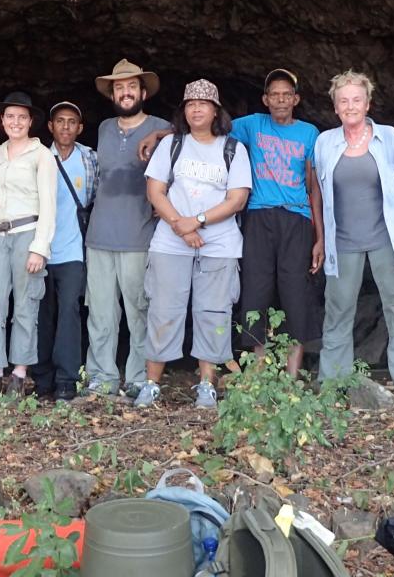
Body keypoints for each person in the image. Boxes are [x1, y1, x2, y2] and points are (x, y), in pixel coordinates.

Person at [138, 68, 324, 375]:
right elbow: (204, 130)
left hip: (297, 216)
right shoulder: (251, 126)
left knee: (296, 294)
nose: (280, 100)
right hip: (260, 216)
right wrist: (161, 134)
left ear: (296, 98)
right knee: (256, 293)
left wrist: (320, 236)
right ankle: (258, 371)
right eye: (274, 94)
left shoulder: (309, 133)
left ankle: (292, 376)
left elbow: (313, 185)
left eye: (286, 94)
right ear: (264, 99)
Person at [136, 79, 252, 409]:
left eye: (203, 103)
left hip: (219, 243)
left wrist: (197, 221)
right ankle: (151, 384)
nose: (196, 108)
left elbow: (237, 199)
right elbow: (155, 191)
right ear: (183, 111)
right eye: (190, 104)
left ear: (216, 110)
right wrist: (181, 226)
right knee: (163, 309)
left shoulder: (232, 149)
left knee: (213, 312)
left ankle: (206, 385)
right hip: (171, 241)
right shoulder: (172, 145)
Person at [315, 71, 394, 409]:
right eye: (343, 100)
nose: (351, 106)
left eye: (357, 99)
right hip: (343, 241)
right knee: (338, 311)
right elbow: (320, 193)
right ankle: (333, 384)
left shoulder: (387, 137)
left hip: (385, 238)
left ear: (368, 103)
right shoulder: (325, 142)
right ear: (335, 107)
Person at [84, 59, 171, 398]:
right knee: (101, 313)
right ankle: (102, 376)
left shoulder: (161, 125)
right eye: (119, 87)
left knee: (139, 312)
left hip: (140, 235)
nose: (125, 92)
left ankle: (137, 377)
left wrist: (161, 133)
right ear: (112, 94)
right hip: (100, 235)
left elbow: (198, 128)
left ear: (143, 91)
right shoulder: (105, 128)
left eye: (131, 86)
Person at [0, 92, 57, 398]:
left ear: (31, 121)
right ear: (2, 121)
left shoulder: (41, 155)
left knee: (25, 306)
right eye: (10, 117)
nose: (16, 122)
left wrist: (40, 246)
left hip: (27, 232)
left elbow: (49, 204)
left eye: (22, 117)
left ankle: (19, 374)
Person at [34, 101, 98, 401]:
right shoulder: (37, 156)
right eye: (60, 121)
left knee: (70, 311)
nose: (65, 127)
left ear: (80, 128)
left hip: (73, 251)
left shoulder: (90, 159)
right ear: (50, 126)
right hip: (40, 249)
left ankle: (67, 378)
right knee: (41, 313)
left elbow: (98, 197)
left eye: (72, 122)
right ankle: (42, 376)